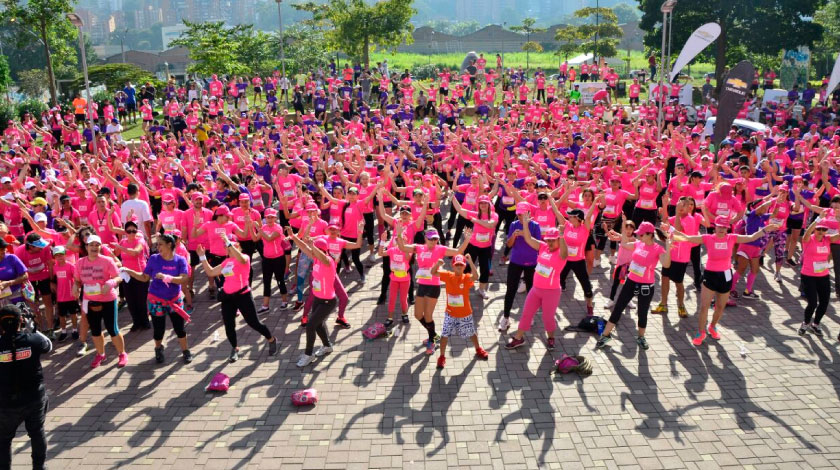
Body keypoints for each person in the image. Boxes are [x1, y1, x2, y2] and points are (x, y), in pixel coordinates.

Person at [671, 217, 779, 346]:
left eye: (724, 227)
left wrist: (765, 230)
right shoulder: (707, 238)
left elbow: (751, 237)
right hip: (710, 275)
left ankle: (712, 326)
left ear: (727, 228)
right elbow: (687, 238)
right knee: (704, 306)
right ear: (715, 226)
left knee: (720, 306)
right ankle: (701, 332)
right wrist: (671, 230)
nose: (721, 229)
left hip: (725, 276)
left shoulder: (732, 238)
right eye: (719, 226)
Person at [196, 234, 277, 363]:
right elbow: (211, 272)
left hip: (243, 295)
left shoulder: (244, 258)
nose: (228, 248)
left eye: (233, 245)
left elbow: (242, 260)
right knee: (229, 325)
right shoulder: (226, 262)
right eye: (227, 246)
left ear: (238, 246)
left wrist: (229, 242)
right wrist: (202, 256)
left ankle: (271, 339)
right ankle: (234, 348)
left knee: (253, 323)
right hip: (228, 297)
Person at [596, 222, 671, 350]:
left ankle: (641, 337)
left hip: (646, 286)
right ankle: (605, 335)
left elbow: (666, 264)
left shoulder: (658, 249)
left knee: (642, 313)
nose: (639, 236)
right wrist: (623, 227)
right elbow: (624, 244)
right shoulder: (638, 243)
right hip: (631, 281)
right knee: (618, 308)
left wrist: (668, 244)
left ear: (649, 234)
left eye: (641, 234)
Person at [396, 225, 470, 355]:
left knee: (428, 316)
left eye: (435, 239)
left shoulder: (440, 249)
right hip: (422, 285)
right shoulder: (418, 248)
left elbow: (458, 251)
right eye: (431, 239)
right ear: (425, 238)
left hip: (434, 285)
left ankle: (432, 340)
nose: (433, 241)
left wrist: (467, 239)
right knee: (418, 315)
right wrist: (399, 234)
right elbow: (402, 247)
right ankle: (434, 335)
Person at [121, 233, 193, 364]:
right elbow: (144, 277)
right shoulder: (154, 259)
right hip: (156, 300)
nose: (157, 247)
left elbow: (184, 278)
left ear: (169, 245)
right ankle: (158, 348)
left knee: (180, 329)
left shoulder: (180, 260)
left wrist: (168, 278)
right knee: (158, 330)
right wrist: (129, 271)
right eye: (156, 244)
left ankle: (185, 351)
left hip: (174, 300)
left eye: (160, 244)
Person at [0, 304, 52, 470]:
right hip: (34, 398)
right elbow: (48, 345)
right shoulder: (32, 339)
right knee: (36, 432)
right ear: (20, 321)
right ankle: (39, 467)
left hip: (6, 403)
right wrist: (33, 328)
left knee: (3, 440)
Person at [505, 223, 567, 350]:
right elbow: (528, 239)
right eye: (548, 240)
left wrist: (562, 235)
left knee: (547, 318)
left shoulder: (561, 253)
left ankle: (551, 338)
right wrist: (526, 223)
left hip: (551, 292)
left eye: (552, 240)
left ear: (558, 240)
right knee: (526, 314)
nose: (549, 243)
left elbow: (565, 253)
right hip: (535, 289)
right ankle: (518, 338)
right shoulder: (543, 247)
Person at [74, 235, 129, 368]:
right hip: (90, 301)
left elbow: (118, 277)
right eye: (91, 245)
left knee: (112, 329)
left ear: (100, 247)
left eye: (97, 245)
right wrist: (75, 286)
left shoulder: (107, 261)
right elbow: (77, 280)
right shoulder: (80, 262)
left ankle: (122, 353)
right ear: (86, 247)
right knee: (95, 330)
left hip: (107, 300)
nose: (94, 247)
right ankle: (100, 354)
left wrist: (110, 283)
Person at [286, 225, 336, 368]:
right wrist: (294, 237)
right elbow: (304, 247)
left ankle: (309, 354)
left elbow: (319, 253)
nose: (313, 252)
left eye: (316, 249)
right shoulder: (316, 259)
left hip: (328, 301)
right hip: (318, 298)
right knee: (318, 324)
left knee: (310, 326)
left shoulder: (328, 261)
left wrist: (312, 245)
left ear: (323, 250)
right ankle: (327, 346)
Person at [431, 254, 489, 369]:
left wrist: (471, 261)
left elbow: (476, 276)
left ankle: (478, 349)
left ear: (464, 267)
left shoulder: (466, 278)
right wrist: (437, 264)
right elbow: (433, 272)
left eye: (461, 265)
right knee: (444, 335)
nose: (458, 267)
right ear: (452, 266)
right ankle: (442, 357)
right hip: (450, 313)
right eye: (456, 265)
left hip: (465, 314)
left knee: (472, 333)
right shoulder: (448, 276)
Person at [500, 202, 541, 332]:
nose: (520, 217)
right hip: (515, 262)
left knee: (531, 292)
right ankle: (506, 317)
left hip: (531, 263)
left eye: (523, 214)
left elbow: (538, 245)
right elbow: (509, 244)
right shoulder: (513, 225)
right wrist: (514, 236)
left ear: (529, 213)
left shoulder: (535, 226)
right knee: (510, 290)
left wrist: (525, 234)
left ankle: (530, 317)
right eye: (518, 214)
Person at [797, 218, 838, 337]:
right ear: (815, 229)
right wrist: (817, 220)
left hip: (823, 275)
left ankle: (815, 324)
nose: (821, 231)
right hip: (808, 275)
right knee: (813, 303)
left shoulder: (828, 239)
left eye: (824, 229)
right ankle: (805, 323)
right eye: (819, 229)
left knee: (824, 302)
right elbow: (806, 234)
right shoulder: (809, 240)